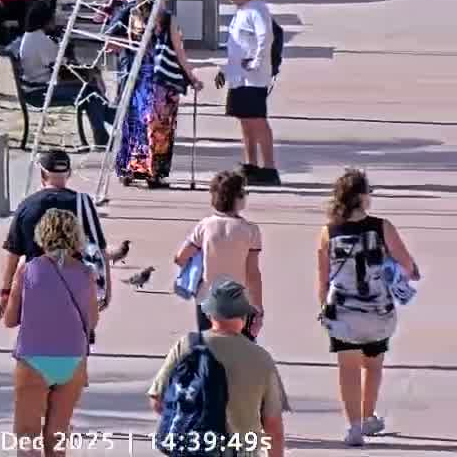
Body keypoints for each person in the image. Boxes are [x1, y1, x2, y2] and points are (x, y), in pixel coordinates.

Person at [319, 169, 421, 446]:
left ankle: (353, 427)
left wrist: (323, 309)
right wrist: (405, 273)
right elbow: (408, 265)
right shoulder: (382, 227)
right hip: (378, 311)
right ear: (362, 198)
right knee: (373, 366)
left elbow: (323, 279)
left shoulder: (328, 232)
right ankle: (367, 418)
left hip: (342, 311)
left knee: (347, 368)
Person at [148, 280, 287, 457]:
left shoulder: (187, 346)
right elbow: (272, 424)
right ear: (244, 317)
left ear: (209, 314)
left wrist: (188, 419)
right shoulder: (261, 358)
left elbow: (157, 399)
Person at [4, 209, 98, 453]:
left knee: (27, 435)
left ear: (41, 235)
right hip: (73, 361)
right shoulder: (86, 273)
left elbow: (10, 319)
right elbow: (92, 321)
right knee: (57, 436)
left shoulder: (27, 269)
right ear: (75, 236)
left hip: (33, 358)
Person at [1, 149, 108, 319]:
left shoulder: (27, 205)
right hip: (76, 290)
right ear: (69, 173)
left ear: (42, 174)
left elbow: (13, 253)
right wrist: (105, 288)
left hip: (36, 287)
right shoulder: (83, 203)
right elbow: (98, 248)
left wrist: (6, 291)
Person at [114, 0, 200, 188]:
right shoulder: (167, 18)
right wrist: (192, 77)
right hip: (161, 80)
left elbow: (117, 45)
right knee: (159, 126)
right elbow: (179, 52)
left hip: (137, 78)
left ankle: (131, 168)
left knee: (136, 123)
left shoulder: (132, 14)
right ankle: (154, 172)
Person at [10, 4, 113, 148]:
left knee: (91, 93)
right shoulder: (40, 40)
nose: (54, 22)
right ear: (44, 21)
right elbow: (63, 65)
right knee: (91, 94)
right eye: (52, 19)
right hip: (39, 92)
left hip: (34, 87)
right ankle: (110, 126)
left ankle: (105, 132)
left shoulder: (30, 37)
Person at [175, 170, 265, 332]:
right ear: (237, 199)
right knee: (236, 351)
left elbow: (180, 257)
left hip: (206, 298)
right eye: (243, 192)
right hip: (238, 301)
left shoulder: (205, 225)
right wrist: (258, 307)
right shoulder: (251, 230)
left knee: (209, 348)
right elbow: (252, 274)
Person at [217, 0, 278, 186]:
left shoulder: (257, 10)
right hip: (237, 76)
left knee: (257, 120)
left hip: (253, 77)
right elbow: (235, 46)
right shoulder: (241, 11)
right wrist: (224, 70)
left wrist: (256, 63)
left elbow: (265, 38)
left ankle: (269, 167)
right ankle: (251, 164)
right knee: (244, 119)